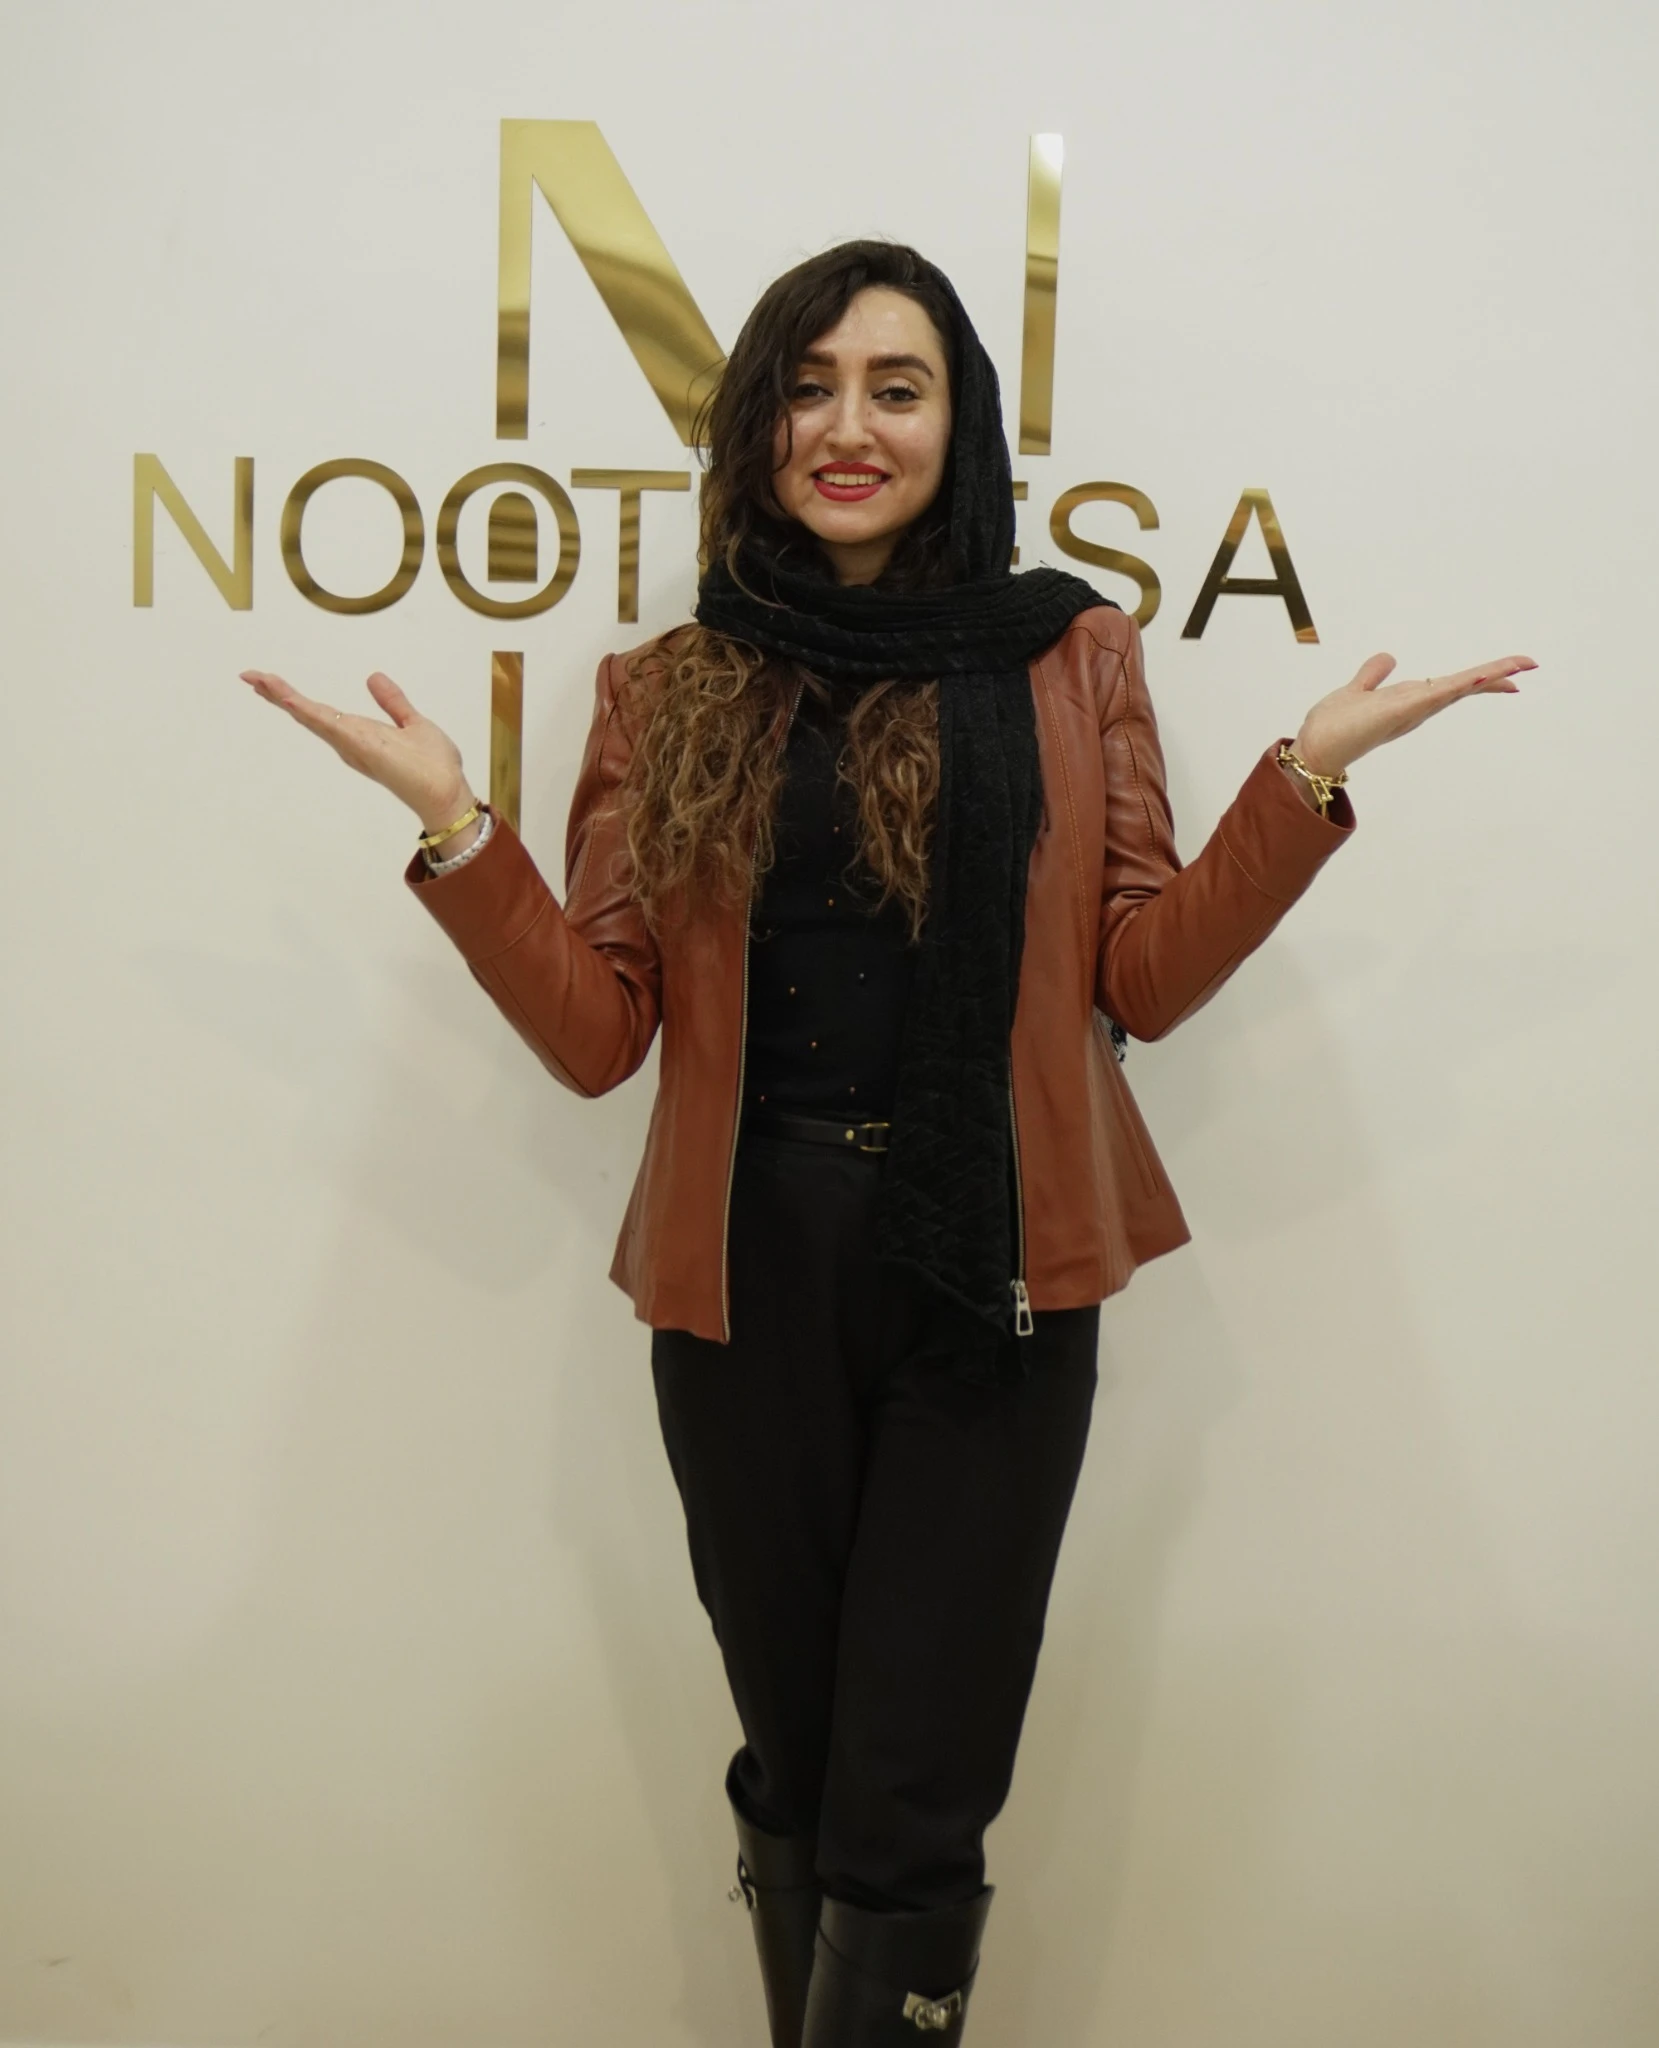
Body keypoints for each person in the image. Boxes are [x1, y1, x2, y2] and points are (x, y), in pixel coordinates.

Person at [239, 239, 1534, 2047]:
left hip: (990, 1270)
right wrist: (460, 828)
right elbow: (600, 1036)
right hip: (746, 1276)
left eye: (895, 388)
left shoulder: (1070, 656)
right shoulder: (667, 684)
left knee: (912, 1800)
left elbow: (1140, 980)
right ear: (756, 423)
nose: (847, 426)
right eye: (808, 385)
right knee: (798, 1767)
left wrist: (1300, 782)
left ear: (958, 424)